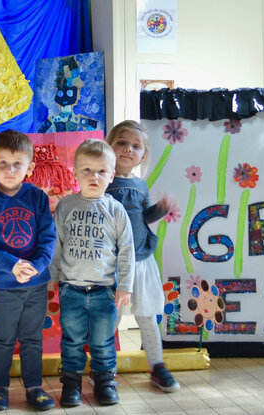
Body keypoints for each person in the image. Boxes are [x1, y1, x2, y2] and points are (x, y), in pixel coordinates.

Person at [0, 130, 57, 412]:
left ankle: (34, 386)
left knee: (33, 338)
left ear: (30, 167)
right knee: (4, 338)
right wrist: (11, 265)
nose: (10, 170)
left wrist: (36, 266)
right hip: (4, 285)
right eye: (2, 164)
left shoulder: (37, 199)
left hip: (35, 283)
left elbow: (47, 239)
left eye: (17, 164)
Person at [49, 139, 135, 407]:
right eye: (86, 170)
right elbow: (55, 246)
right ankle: (72, 383)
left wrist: (125, 285)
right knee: (72, 341)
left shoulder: (115, 210)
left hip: (104, 290)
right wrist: (52, 280)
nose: (93, 177)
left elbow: (126, 250)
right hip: (71, 289)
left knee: (102, 341)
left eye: (101, 171)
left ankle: (105, 381)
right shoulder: (65, 206)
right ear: (75, 172)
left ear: (111, 175)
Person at [105, 121, 181, 393]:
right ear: (109, 145)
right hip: (111, 263)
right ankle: (104, 369)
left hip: (141, 260)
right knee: (110, 317)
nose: (128, 149)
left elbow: (143, 217)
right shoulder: (103, 180)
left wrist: (161, 209)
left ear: (144, 155)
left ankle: (157, 366)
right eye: (122, 143)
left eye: (136, 146)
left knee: (147, 316)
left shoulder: (140, 184)